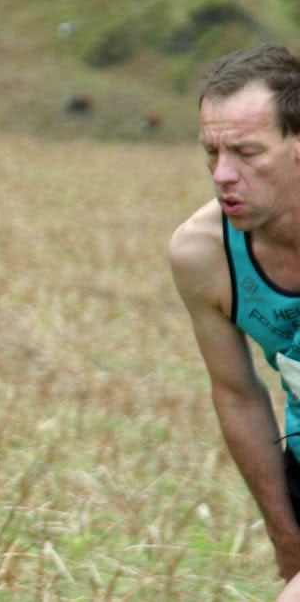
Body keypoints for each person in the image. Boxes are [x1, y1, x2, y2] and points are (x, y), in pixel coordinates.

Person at [168, 44, 300, 597]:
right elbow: (238, 394)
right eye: (212, 153)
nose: (223, 175)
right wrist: (284, 533)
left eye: (247, 153)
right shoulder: (202, 254)